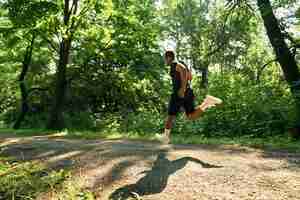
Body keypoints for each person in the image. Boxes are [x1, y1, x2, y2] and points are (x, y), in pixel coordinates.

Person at [161, 50, 223, 144]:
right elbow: (190, 76)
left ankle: (165, 138)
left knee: (170, 116)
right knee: (191, 116)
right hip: (188, 92)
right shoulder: (180, 64)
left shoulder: (175, 64)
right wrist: (185, 87)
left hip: (179, 94)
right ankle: (207, 103)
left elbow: (184, 71)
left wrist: (182, 89)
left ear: (169, 57)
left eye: (165, 59)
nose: (165, 61)